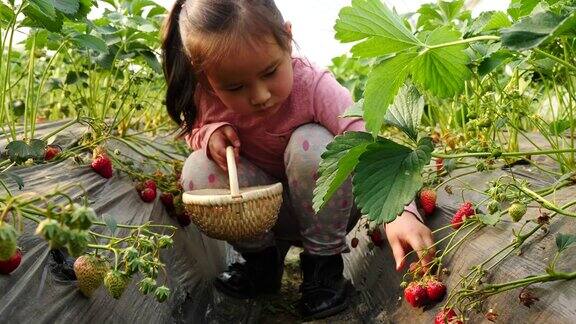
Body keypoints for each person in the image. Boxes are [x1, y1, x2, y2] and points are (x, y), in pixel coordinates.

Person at [161, 0, 435, 320]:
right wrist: (208, 137)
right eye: (235, 87)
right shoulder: (205, 96)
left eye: (270, 72)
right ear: (205, 77)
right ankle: (262, 262)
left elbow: (369, 145)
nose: (260, 95)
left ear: (287, 38)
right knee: (197, 168)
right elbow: (194, 129)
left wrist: (399, 211)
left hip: (327, 207)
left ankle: (323, 268)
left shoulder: (314, 86)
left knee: (312, 143)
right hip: (263, 217)